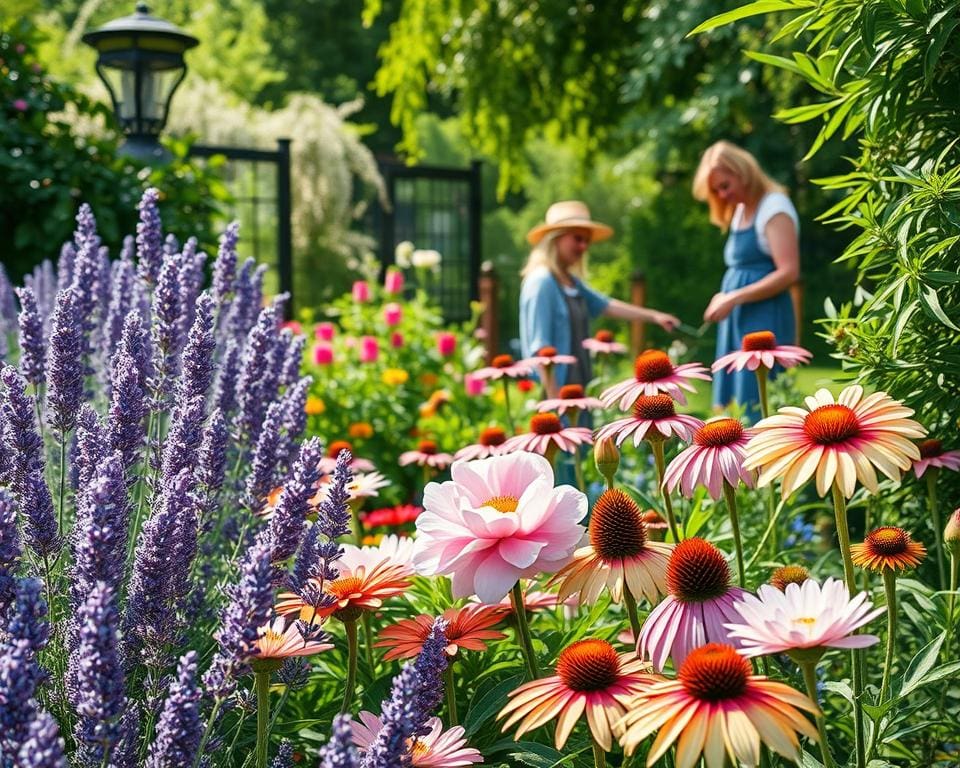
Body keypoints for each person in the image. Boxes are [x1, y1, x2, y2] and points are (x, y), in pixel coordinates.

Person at [519, 200, 680, 397]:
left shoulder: (571, 282)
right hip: (556, 390)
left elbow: (607, 305)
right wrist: (556, 406)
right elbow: (541, 349)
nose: (583, 246)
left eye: (587, 241)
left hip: (579, 385)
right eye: (577, 239)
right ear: (556, 238)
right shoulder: (542, 282)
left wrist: (655, 317)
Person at [693, 141, 800, 419]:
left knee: (757, 400)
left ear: (743, 172)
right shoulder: (741, 210)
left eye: (725, 186)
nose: (722, 195)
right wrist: (723, 296)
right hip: (737, 321)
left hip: (763, 317)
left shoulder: (774, 207)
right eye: (716, 191)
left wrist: (735, 296)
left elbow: (788, 272)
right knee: (733, 406)